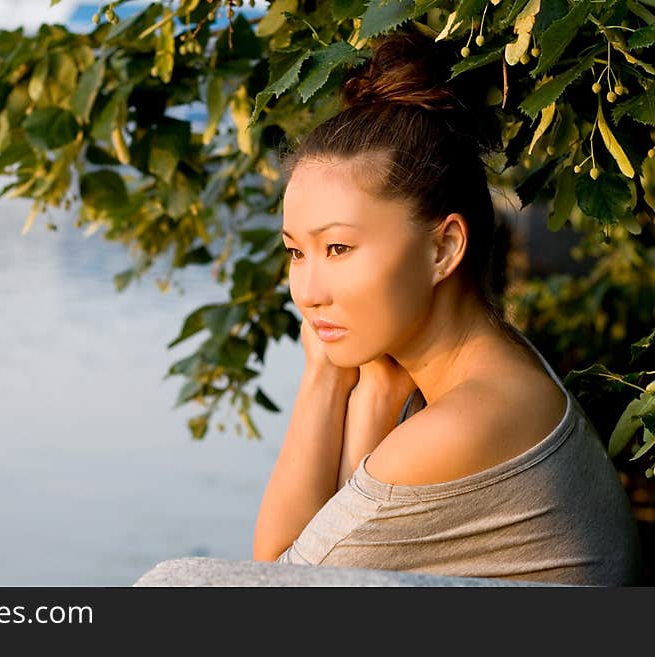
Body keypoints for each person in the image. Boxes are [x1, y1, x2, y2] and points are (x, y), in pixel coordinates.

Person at [252, 29, 642, 585]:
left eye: (337, 247)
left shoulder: (466, 422)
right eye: (295, 252)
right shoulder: (487, 370)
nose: (308, 291)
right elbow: (336, 560)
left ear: (443, 248)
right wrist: (378, 393)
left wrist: (323, 377)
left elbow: (271, 585)